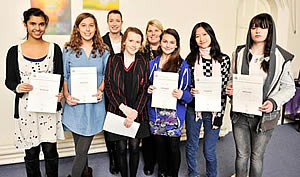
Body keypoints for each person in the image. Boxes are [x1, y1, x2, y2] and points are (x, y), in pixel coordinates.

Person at [226, 13, 295, 177]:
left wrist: (273, 101)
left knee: (256, 157)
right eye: (254, 26)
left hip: (264, 117)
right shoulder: (239, 52)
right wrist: (230, 88)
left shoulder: (281, 57)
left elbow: (289, 88)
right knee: (242, 155)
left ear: (270, 30)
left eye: (263, 26)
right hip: (240, 115)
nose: (258, 30)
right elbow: (231, 78)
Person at [5, 8, 64, 177]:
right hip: (26, 109)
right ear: (25, 24)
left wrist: (59, 92)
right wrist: (17, 87)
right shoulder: (13, 51)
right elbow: (9, 81)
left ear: (45, 26)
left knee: (50, 150)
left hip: (49, 108)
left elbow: (59, 77)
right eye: (33, 24)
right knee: (31, 152)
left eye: (41, 24)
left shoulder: (55, 49)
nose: (37, 28)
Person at [62, 13, 109, 177]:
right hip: (74, 104)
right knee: (79, 147)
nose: (87, 29)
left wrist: (100, 89)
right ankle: (86, 173)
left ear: (96, 28)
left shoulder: (103, 51)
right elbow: (65, 76)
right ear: (77, 27)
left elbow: (106, 76)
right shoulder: (68, 50)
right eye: (83, 25)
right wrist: (66, 95)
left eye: (91, 25)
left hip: (94, 105)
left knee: (82, 150)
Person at [184, 22, 230, 177]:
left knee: (209, 150)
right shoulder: (189, 60)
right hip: (194, 109)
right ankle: (193, 174)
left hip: (214, 111)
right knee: (191, 146)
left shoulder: (224, 60)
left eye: (204, 34)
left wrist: (220, 117)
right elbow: (186, 86)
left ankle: (212, 175)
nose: (201, 39)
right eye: (197, 36)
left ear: (211, 35)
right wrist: (190, 90)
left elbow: (224, 91)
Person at [104, 27, 150, 177]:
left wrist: (134, 112)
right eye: (131, 40)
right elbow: (109, 86)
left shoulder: (144, 61)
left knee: (135, 147)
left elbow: (144, 88)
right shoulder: (113, 59)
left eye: (138, 41)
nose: (134, 44)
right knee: (121, 148)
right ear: (124, 42)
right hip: (118, 110)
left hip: (138, 112)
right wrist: (124, 108)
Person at [147, 28, 193, 177]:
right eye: (165, 41)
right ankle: (162, 172)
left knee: (173, 147)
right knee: (159, 146)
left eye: (171, 42)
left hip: (174, 115)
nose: (167, 45)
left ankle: (173, 174)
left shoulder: (183, 66)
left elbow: (189, 96)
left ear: (176, 45)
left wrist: (181, 94)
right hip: (156, 113)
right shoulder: (152, 64)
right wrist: (148, 88)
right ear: (160, 43)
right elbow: (144, 87)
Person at [141, 19, 163, 176]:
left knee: (160, 135)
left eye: (156, 30)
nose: (153, 33)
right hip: (145, 98)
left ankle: (161, 163)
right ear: (146, 34)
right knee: (147, 134)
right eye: (150, 31)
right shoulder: (140, 52)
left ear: (161, 33)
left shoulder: (168, 50)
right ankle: (149, 163)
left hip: (164, 98)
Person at [101, 9, 123, 175]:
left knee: (124, 122)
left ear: (122, 22)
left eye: (117, 20)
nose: (114, 23)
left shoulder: (127, 40)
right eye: (111, 20)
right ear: (108, 23)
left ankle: (122, 154)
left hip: (126, 89)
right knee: (110, 125)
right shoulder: (101, 42)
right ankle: (114, 158)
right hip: (108, 89)